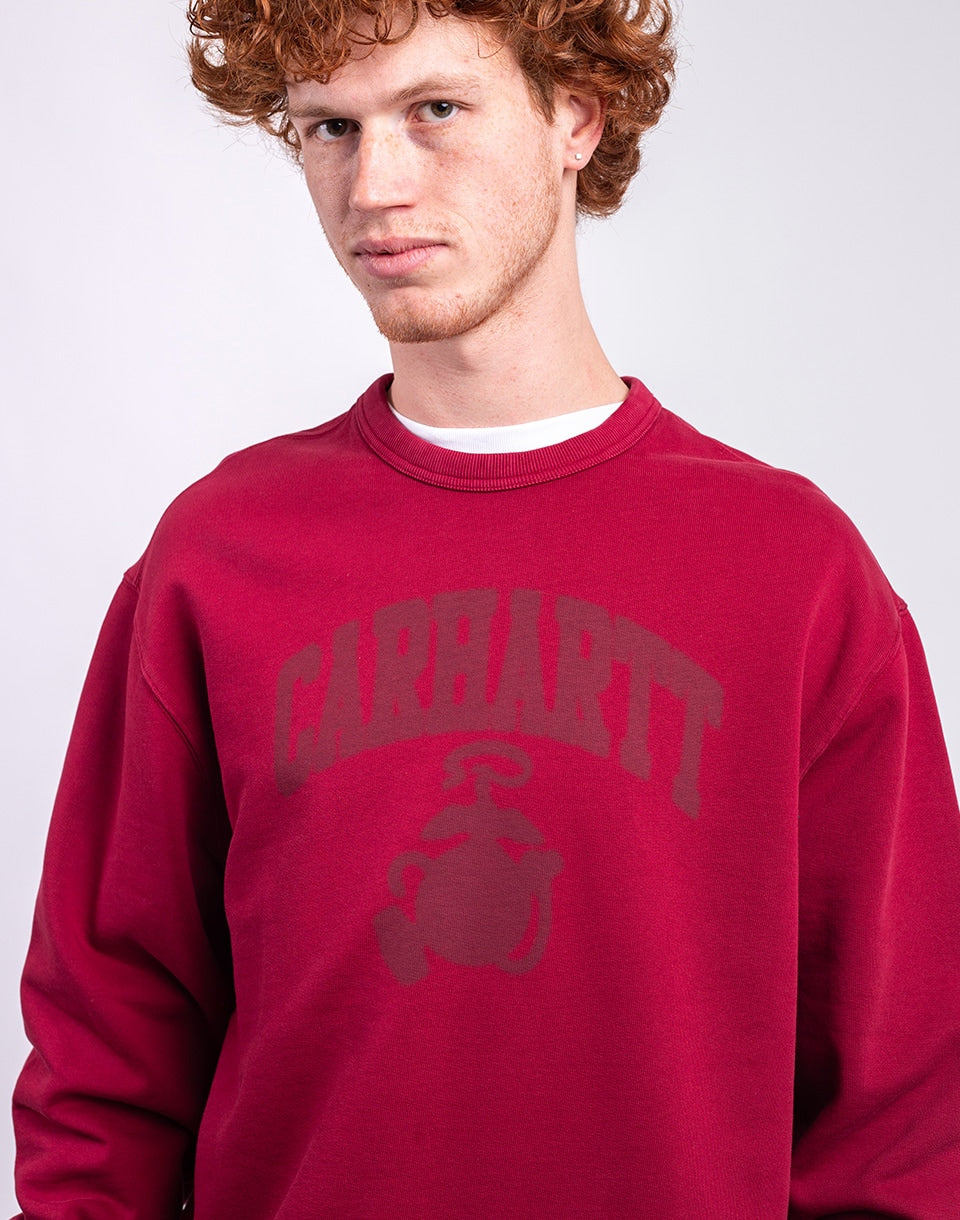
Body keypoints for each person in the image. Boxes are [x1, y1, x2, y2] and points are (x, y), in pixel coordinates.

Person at [11, 0, 960, 1215]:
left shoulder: (797, 573)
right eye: (331, 128)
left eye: (435, 110)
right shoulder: (214, 558)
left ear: (577, 115)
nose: (375, 188)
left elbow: (901, 1112)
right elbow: (106, 1058)